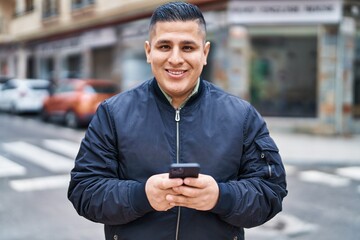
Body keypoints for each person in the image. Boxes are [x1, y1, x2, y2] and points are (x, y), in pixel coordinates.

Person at [68, 2, 287, 240]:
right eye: (164, 46)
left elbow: (270, 192)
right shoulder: (112, 114)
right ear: (148, 51)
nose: (175, 59)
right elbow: (84, 190)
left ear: (204, 53)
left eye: (187, 47)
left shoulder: (242, 116)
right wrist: (141, 196)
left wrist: (221, 197)